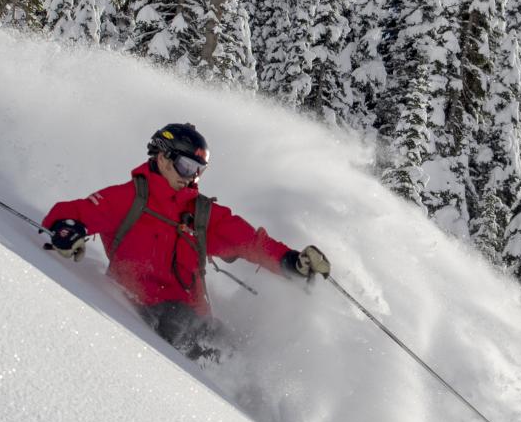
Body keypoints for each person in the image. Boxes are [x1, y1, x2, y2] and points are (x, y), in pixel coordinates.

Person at [42, 123, 330, 360]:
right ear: (162, 157)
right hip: (132, 311)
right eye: (185, 166)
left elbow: (250, 242)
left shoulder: (201, 214)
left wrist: (291, 262)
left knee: (239, 356)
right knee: (182, 326)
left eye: (198, 170)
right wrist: (66, 229)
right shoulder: (128, 199)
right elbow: (74, 213)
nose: (191, 177)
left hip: (194, 321)